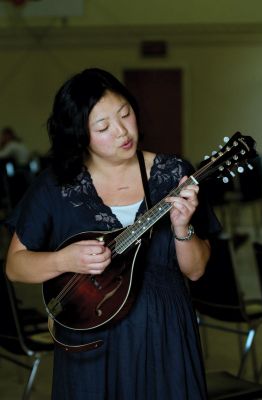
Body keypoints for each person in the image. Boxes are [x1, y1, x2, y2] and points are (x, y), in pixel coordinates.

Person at [5, 68, 221, 400]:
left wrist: (182, 228)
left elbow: (196, 269)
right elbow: (15, 266)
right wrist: (65, 258)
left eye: (126, 114)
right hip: (91, 346)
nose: (122, 131)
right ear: (80, 135)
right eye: (103, 127)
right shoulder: (56, 185)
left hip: (164, 338)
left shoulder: (173, 174)